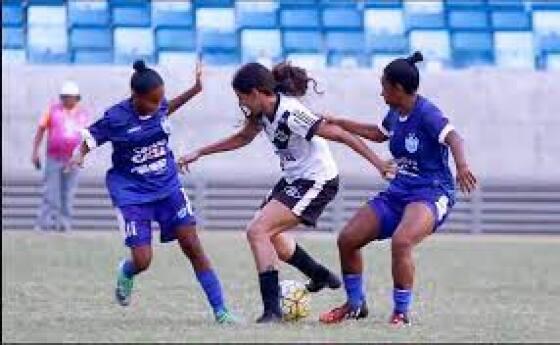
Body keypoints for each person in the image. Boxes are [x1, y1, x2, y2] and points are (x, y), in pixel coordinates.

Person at [178, 62, 394, 323]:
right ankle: (319, 274)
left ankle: (272, 311)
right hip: (294, 179)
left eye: (242, 97)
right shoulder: (262, 113)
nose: (241, 104)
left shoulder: (291, 113)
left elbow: (340, 134)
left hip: (317, 180)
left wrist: (378, 163)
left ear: (257, 93)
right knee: (273, 238)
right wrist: (200, 152)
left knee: (258, 231)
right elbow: (242, 138)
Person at [67, 60, 237, 324]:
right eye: (153, 101)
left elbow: (169, 106)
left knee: (193, 246)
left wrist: (195, 89)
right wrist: (79, 155)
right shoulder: (117, 117)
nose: (159, 106)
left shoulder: (158, 106)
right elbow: (90, 137)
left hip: (167, 187)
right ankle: (127, 271)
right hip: (132, 193)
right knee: (143, 260)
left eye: (161, 101)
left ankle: (221, 311)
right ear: (136, 97)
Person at [318, 51, 478, 326]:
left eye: (384, 86)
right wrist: (340, 122)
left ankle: (401, 313)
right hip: (398, 192)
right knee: (347, 239)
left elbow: (453, 136)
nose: (381, 92)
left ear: (398, 89)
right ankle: (355, 305)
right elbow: (378, 133)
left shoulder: (427, 114)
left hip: (432, 192)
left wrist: (462, 166)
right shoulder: (395, 112)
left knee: (402, 241)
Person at [32, 81, 90, 232]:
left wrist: (82, 156)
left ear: (77, 98)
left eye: (70, 97)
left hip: (73, 159)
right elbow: (40, 130)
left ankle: (63, 224)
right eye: (64, 97)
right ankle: (43, 224)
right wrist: (35, 152)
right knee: (50, 192)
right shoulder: (52, 110)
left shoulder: (83, 114)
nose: (67, 100)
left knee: (68, 193)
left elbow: (87, 138)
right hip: (54, 158)